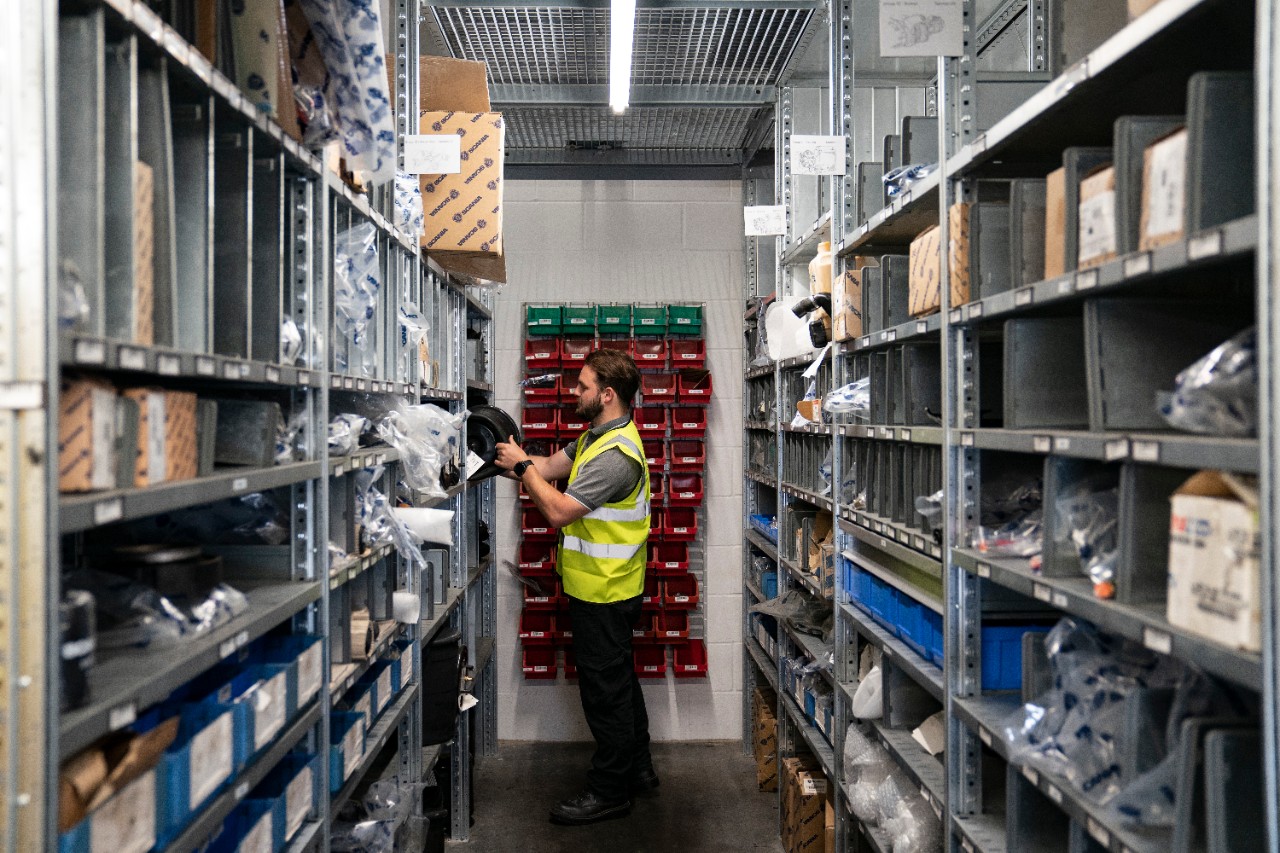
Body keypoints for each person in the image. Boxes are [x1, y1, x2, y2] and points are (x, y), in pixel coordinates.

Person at [495, 348, 657, 825]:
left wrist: (523, 469)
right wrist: (504, 461)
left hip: (605, 594)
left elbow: (559, 509)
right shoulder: (595, 436)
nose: (575, 392)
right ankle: (640, 769)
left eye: (583, 386)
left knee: (605, 695)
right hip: (602, 589)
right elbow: (546, 468)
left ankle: (610, 790)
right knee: (620, 683)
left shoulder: (617, 455)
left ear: (607, 395)